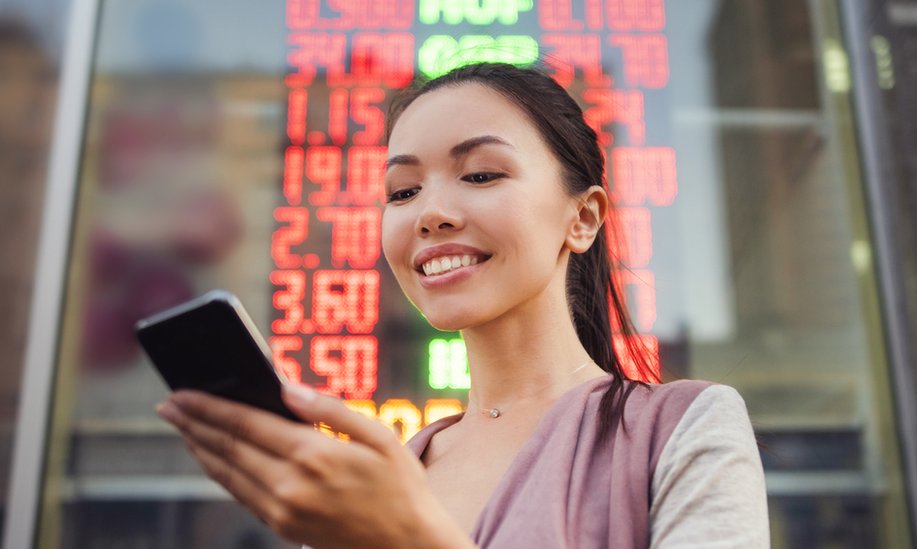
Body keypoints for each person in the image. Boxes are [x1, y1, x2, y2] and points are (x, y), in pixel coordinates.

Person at [155, 62, 769, 548]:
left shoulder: (687, 428)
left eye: (479, 175)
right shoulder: (389, 473)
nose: (430, 213)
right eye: (403, 190)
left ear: (582, 218)